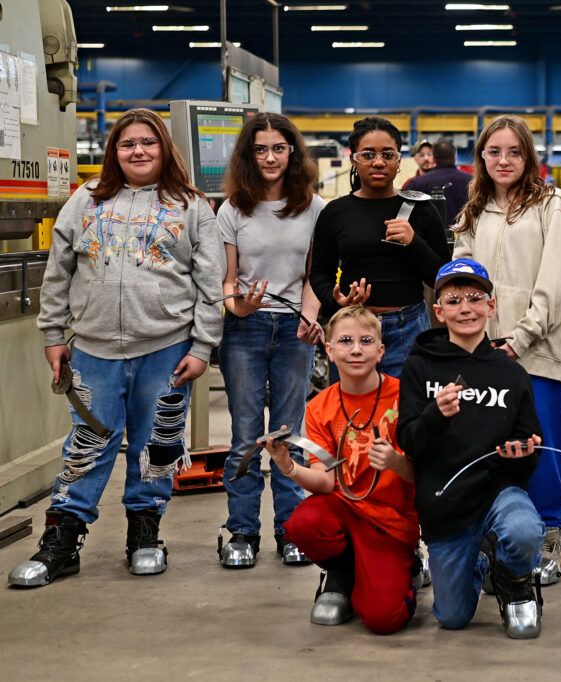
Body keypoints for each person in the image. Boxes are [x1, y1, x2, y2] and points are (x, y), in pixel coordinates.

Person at [9, 108, 224, 587]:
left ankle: (144, 535)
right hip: (92, 350)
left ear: (164, 147)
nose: (139, 151)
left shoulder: (191, 206)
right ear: (115, 151)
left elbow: (210, 285)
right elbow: (58, 271)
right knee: (86, 445)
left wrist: (203, 346)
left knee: (157, 447)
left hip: (167, 350)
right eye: (128, 144)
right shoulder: (85, 200)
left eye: (148, 142)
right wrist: (52, 335)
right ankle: (61, 541)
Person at [452, 115, 561, 586]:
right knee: (492, 448)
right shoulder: (473, 211)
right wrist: (474, 340)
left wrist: (523, 335)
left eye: (513, 152)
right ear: (482, 158)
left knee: (540, 445)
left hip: (538, 349)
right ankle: (501, 535)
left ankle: (550, 531)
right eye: (494, 152)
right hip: (486, 352)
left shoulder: (551, 203)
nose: (504, 160)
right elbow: (462, 280)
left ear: (528, 156)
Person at [397, 258, 545, 639]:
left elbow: (531, 443)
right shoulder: (419, 367)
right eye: (454, 299)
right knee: (453, 616)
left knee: (525, 532)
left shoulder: (511, 373)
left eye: (475, 298)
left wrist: (523, 455)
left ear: (491, 306)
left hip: (498, 492)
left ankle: (513, 580)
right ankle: (482, 558)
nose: (465, 308)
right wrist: (436, 415)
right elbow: (409, 441)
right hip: (446, 505)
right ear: (438, 311)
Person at [263, 305, 419, 634]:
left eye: (366, 341)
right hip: (345, 509)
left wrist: (394, 461)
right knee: (303, 523)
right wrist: (288, 466)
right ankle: (342, 573)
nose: (357, 349)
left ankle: (410, 567)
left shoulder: (405, 398)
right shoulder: (319, 407)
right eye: (346, 341)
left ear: (381, 351)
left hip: (389, 521)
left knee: (383, 620)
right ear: (330, 352)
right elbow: (324, 481)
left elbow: (425, 475)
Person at [216, 113, 326, 568]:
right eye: (259, 149)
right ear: (247, 155)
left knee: (288, 433)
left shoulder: (314, 207)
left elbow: (314, 277)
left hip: (295, 331)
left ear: (293, 153)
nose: (269, 157)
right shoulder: (231, 210)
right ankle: (242, 531)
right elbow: (227, 280)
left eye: (278, 148)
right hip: (245, 329)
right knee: (245, 435)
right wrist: (237, 307)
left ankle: (291, 529)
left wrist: (311, 320)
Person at [310, 117, 449, 378]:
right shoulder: (335, 212)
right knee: (350, 414)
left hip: (407, 329)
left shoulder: (422, 210)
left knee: (407, 413)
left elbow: (442, 277)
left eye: (388, 154)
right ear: (353, 159)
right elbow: (319, 273)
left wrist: (413, 242)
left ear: (399, 160)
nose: (378, 162)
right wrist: (334, 300)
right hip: (352, 329)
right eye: (368, 154)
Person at [406, 137, 472, 227]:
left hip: (429, 239)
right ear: (455, 157)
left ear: (433, 158)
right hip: (465, 236)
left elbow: (405, 216)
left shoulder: (417, 184)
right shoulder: (472, 181)